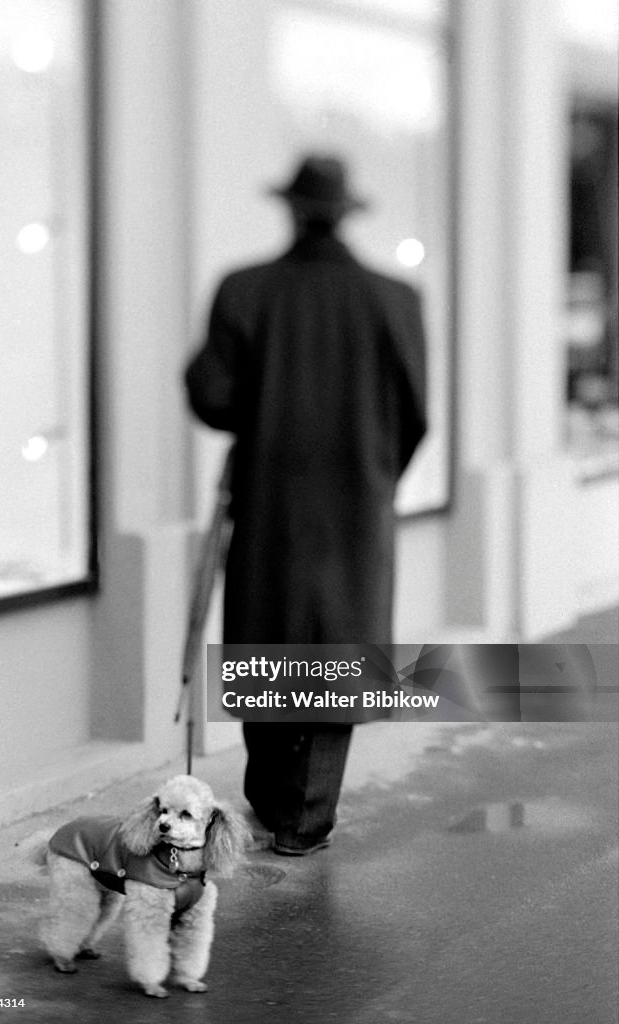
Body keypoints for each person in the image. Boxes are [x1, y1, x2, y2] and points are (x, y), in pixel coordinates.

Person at [184, 154, 427, 854]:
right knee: (336, 648)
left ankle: (270, 795)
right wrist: (376, 474)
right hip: (357, 502)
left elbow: (213, 395)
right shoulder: (396, 298)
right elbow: (415, 413)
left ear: (290, 209)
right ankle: (306, 817)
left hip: (270, 498)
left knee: (269, 636)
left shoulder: (245, 289)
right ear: (348, 213)